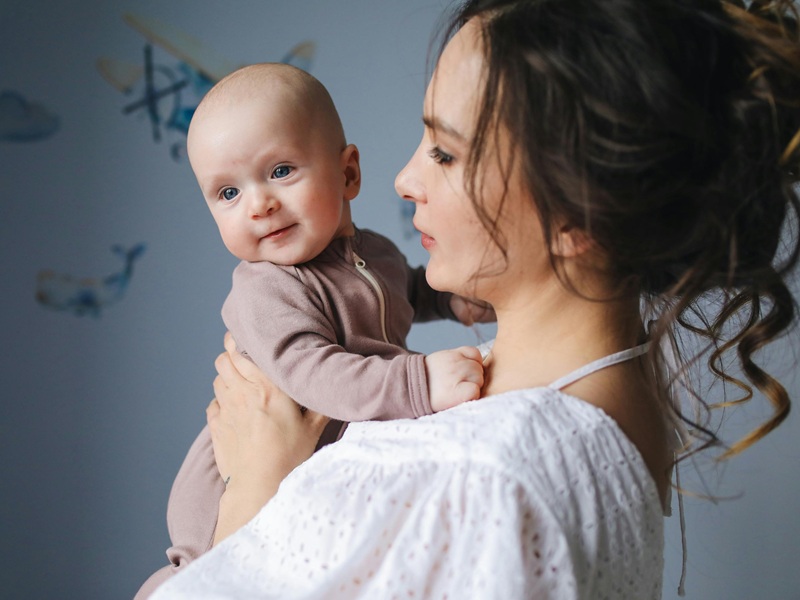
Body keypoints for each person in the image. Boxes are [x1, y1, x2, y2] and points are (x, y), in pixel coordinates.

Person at [150, 0, 800, 597]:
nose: (404, 181)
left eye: (445, 151)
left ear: (580, 213)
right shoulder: (614, 407)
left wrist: (253, 491)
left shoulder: (481, 476)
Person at [135, 63, 493, 597]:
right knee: (205, 572)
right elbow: (312, 373)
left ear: (348, 174)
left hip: (323, 454)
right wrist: (416, 383)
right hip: (232, 477)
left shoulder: (373, 252)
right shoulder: (265, 290)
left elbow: (404, 296)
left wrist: (455, 298)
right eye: (227, 194)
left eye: (280, 171)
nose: (259, 204)